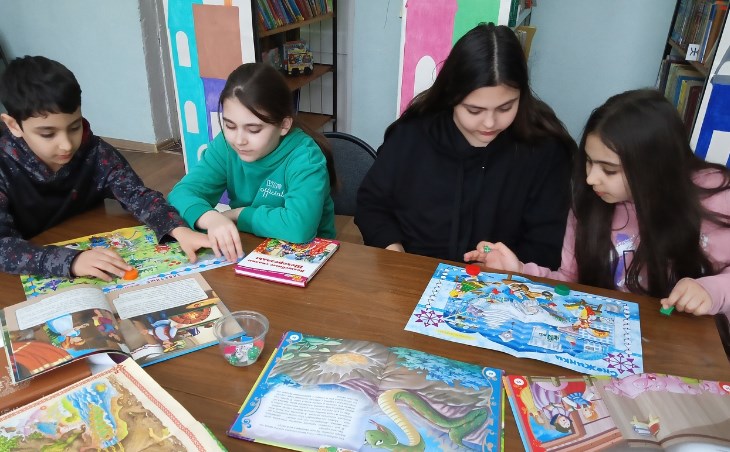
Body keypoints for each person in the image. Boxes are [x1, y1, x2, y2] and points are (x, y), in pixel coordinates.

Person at [465, 89, 730, 319]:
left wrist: (712, 291)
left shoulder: (715, 196)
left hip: (689, 344)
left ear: (653, 167)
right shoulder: (591, 202)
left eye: (609, 170)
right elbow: (570, 283)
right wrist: (520, 271)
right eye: (589, 162)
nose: (591, 178)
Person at [355, 22, 575, 267]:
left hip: (497, 285)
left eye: (505, 108)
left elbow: (546, 245)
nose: (490, 123)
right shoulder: (413, 134)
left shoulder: (544, 150)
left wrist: (506, 266)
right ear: (451, 96)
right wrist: (392, 249)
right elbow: (372, 204)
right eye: (474, 110)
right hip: (411, 274)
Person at [0, 56, 210, 280]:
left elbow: (137, 195)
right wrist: (72, 261)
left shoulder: (94, 151)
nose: (67, 144)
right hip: (21, 278)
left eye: (74, 127)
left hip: (84, 237)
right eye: (48, 134)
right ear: (13, 125)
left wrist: (178, 229)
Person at [168, 63, 336, 263]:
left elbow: (299, 227)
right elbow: (180, 194)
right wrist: (210, 218)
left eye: (254, 130)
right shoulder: (226, 146)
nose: (239, 140)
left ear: (284, 125)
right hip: (248, 248)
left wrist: (238, 215)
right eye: (230, 126)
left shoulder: (305, 157)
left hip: (308, 258)